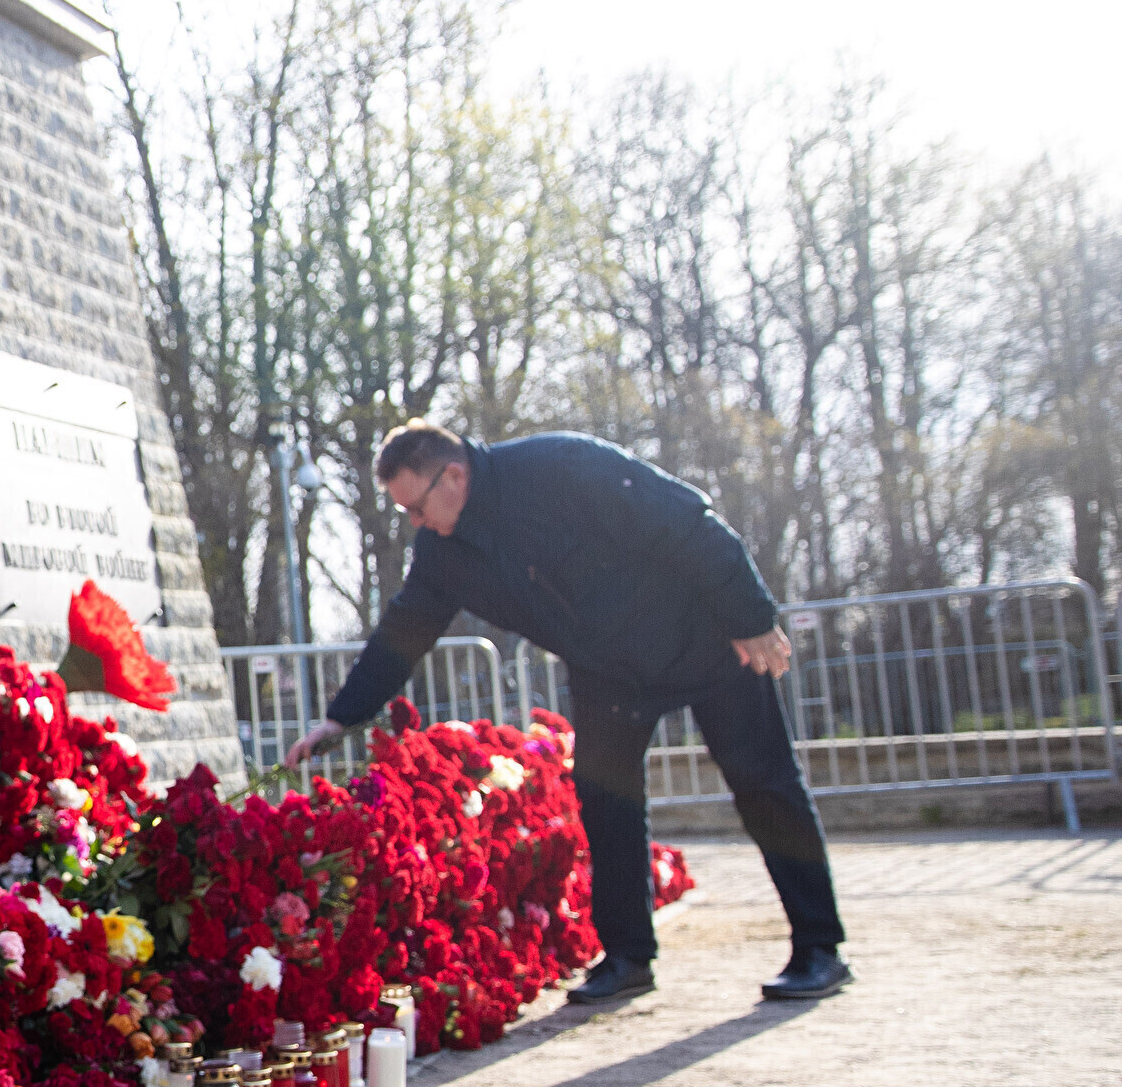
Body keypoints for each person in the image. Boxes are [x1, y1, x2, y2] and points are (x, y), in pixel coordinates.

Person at [286, 421, 850, 1003]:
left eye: (417, 507)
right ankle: (627, 957)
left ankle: (819, 948)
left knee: (765, 785)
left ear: (453, 475)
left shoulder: (562, 466)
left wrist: (751, 616)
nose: (415, 523)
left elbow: (687, 522)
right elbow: (405, 631)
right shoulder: (443, 551)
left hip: (705, 639)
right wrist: (341, 716)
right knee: (607, 804)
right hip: (608, 672)